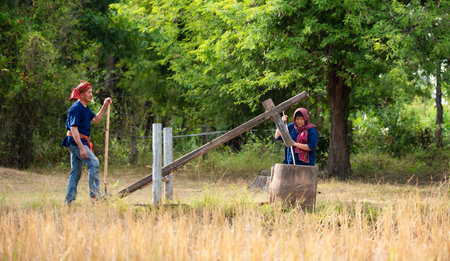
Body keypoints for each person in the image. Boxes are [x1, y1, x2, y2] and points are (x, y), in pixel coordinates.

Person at [61, 80, 112, 204]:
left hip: (79, 142)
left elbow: (95, 119)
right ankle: (94, 195)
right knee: (94, 163)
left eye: (91, 92)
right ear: (82, 94)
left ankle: (69, 201)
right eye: (89, 92)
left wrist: (104, 105)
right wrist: (82, 148)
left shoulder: (85, 107)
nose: (91, 95)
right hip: (75, 142)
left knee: (75, 173)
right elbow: (73, 129)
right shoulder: (76, 108)